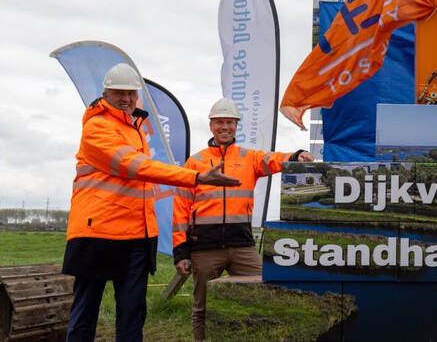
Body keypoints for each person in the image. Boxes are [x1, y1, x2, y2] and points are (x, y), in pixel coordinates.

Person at [63, 63, 241, 342]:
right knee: (86, 312)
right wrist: (196, 177)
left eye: (131, 94)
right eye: (119, 93)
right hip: (97, 232)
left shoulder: (135, 128)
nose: (126, 99)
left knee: (133, 313)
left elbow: (141, 180)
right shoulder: (97, 127)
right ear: (105, 94)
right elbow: (137, 167)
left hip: (137, 235)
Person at [172, 97, 313, 342]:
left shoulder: (249, 157)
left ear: (237, 126)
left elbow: (273, 159)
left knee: (266, 293)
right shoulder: (195, 162)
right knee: (202, 307)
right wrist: (180, 252)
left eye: (229, 122)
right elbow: (180, 209)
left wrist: (296, 155)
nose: (224, 127)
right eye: (219, 122)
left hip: (242, 247)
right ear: (211, 126)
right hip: (204, 249)